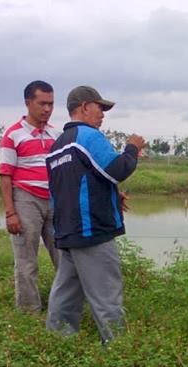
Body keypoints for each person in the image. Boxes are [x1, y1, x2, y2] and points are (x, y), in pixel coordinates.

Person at [45, 86, 145, 343]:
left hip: (67, 231)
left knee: (65, 294)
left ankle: (58, 342)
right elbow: (118, 169)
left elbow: (71, 186)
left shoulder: (58, 145)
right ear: (84, 107)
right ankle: (118, 350)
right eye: (100, 108)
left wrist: (110, 195)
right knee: (107, 297)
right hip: (92, 232)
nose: (102, 115)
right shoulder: (88, 136)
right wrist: (132, 148)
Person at [0, 80, 60, 313]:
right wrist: (10, 212)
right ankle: (29, 310)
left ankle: (63, 307)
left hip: (54, 200)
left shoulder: (57, 134)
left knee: (63, 257)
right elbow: (5, 175)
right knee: (26, 260)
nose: (47, 109)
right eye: (42, 103)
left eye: (51, 104)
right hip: (26, 199)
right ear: (28, 103)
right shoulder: (13, 135)